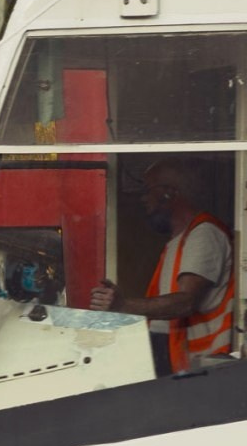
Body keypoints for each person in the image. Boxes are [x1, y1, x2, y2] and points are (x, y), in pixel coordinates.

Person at [90, 158, 234, 375]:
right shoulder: (179, 240)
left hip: (205, 370)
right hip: (187, 367)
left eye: (148, 190)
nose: (143, 199)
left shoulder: (203, 234)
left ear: (169, 194)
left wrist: (124, 305)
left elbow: (186, 302)